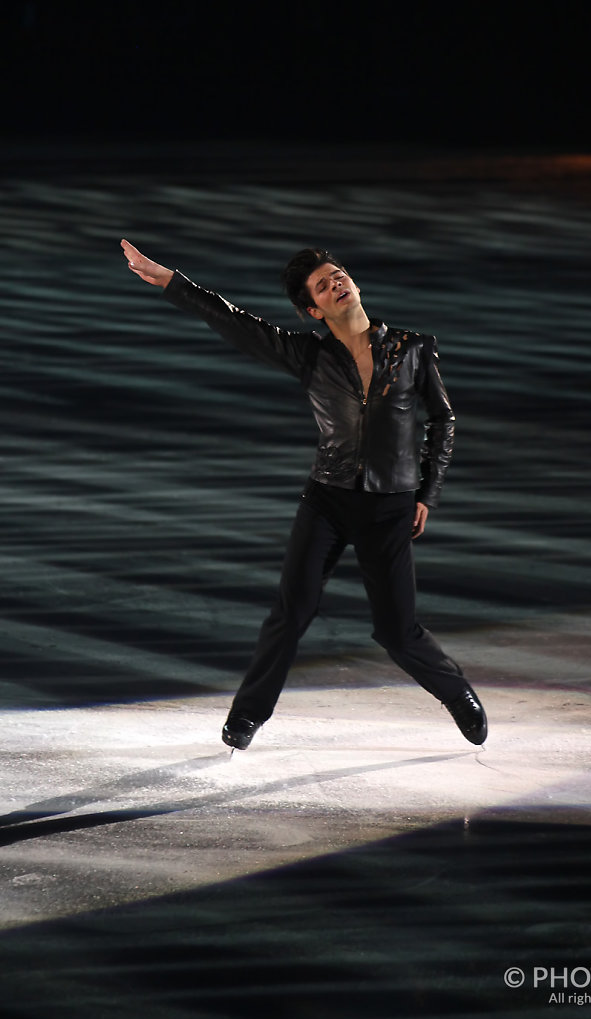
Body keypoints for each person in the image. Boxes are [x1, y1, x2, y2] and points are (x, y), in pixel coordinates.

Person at [120, 238, 488, 751]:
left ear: (353, 283)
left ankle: (458, 695)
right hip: (328, 501)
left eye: (338, 274)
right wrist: (174, 284)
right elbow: (238, 323)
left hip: (390, 506)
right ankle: (248, 715)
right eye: (322, 284)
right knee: (291, 613)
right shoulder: (309, 355)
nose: (336, 283)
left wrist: (429, 490)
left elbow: (443, 419)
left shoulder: (412, 348)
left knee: (396, 631)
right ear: (312, 309)